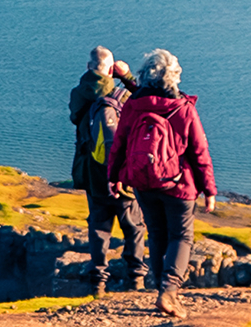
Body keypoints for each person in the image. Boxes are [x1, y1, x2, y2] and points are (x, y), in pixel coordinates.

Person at [110, 50, 219, 293]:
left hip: (143, 183)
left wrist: (114, 176)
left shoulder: (133, 106)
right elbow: (200, 152)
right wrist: (209, 190)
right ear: (175, 77)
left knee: (157, 234)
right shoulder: (183, 109)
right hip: (178, 185)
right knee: (181, 237)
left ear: (143, 76)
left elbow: (119, 144)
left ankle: (159, 285)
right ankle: (168, 291)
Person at [66, 45, 135, 283]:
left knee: (98, 225)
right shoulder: (122, 95)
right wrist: (126, 77)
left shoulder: (77, 94)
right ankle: (135, 276)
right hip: (122, 172)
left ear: (88, 67)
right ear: (112, 69)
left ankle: (98, 276)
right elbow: (147, 99)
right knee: (132, 225)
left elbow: (76, 117)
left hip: (91, 170)